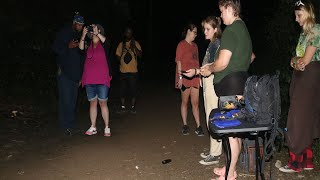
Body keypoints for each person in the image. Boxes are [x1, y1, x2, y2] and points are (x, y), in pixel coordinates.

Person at [195, 0, 254, 179]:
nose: (221, 15)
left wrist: (209, 68)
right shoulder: (243, 29)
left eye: (222, 11)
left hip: (230, 86)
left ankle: (229, 173)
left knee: (230, 131)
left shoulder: (231, 30)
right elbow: (250, 57)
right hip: (238, 84)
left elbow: (221, 63)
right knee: (234, 131)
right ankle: (230, 167)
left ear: (230, 8)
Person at [279, 0, 320, 173]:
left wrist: (296, 61)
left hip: (309, 76)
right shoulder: (304, 34)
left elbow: (304, 60)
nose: (296, 19)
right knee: (305, 118)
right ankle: (308, 161)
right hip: (302, 76)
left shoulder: (316, 30)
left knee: (296, 119)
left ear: (308, 13)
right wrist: (295, 61)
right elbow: (294, 61)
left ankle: (295, 163)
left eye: (299, 15)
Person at [52, 12, 85, 136]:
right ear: (74, 23)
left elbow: (82, 57)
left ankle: (70, 125)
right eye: (79, 24)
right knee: (65, 100)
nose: (81, 27)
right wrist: (68, 46)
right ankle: (64, 126)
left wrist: (82, 75)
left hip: (76, 75)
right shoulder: (64, 32)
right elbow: (55, 48)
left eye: (82, 25)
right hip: (64, 73)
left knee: (72, 101)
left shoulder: (80, 36)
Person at [79, 24, 112, 137]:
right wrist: (83, 35)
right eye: (91, 32)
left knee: (103, 103)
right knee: (93, 103)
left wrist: (97, 32)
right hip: (89, 80)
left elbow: (107, 42)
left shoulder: (104, 45)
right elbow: (80, 49)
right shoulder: (88, 45)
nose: (93, 33)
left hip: (102, 79)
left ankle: (107, 127)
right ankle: (93, 126)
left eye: (95, 31)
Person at [175, 23, 205, 136]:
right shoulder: (181, 45)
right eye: (195, 32)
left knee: (196, 103)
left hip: (195, 77)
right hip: (185, 77)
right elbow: (178, 62)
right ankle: (185, 125)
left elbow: (197, 62)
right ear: (188, 31)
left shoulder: (195, 46)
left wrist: (200, 76)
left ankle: (198, 126)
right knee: (184, 102)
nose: (196, 35)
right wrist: (180, 77)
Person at [115, 26, 142, 114]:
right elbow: (117, 58)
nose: (128, 34)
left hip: (133, 71)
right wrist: (123, 52)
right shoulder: (121, 44)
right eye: (127, 32)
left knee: (133, 90)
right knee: (122, 90)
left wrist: (134, 47)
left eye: (130, 32)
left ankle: (133, 107)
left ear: (132, 34)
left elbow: (140, 55)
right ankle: (123, 107)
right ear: (125, 33)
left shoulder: (136, 43)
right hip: (123, 71)